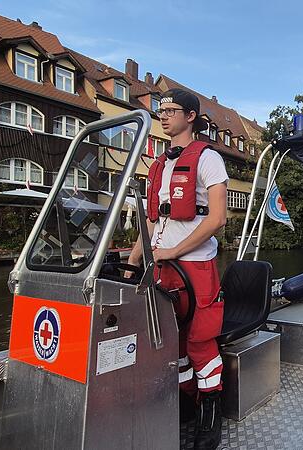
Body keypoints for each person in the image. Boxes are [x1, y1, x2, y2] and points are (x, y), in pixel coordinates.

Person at [127, 89, 227, 449]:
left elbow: (217, 218)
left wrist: (173, 250)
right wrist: (134, 260)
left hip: (196, 266)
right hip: (162, 265)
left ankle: (210, 415)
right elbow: (152, 221)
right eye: (160, 111)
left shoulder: (209, 159)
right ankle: (187, 402)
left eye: (170, 111)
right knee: (173, 343)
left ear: (190, 116)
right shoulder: (158, 166)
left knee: (200, 342)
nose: (163, 116)